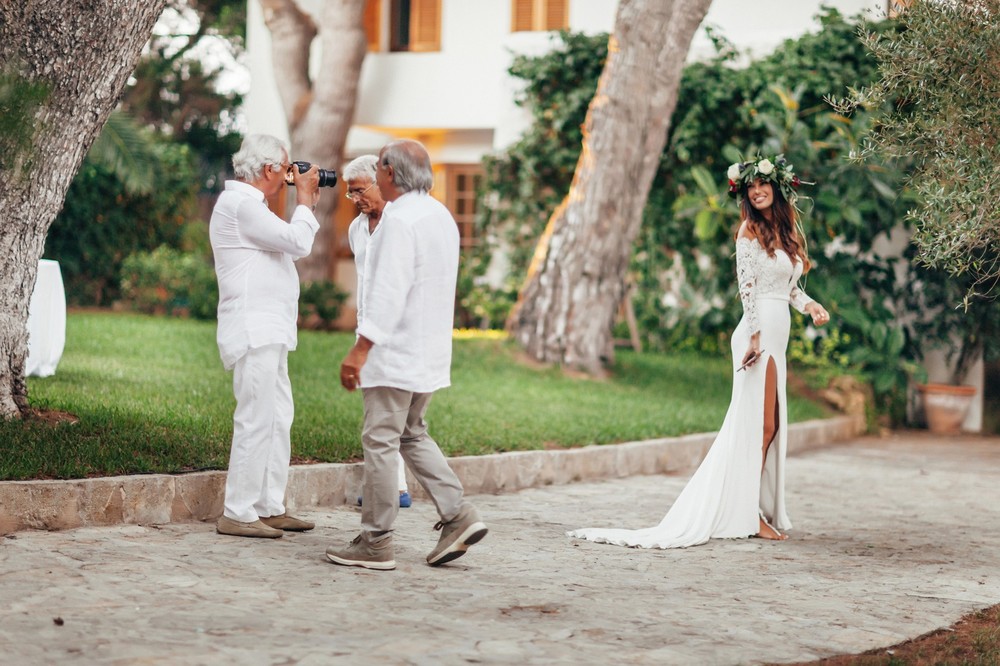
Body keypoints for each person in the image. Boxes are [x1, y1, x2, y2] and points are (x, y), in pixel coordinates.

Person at [568, 155, 831, 549]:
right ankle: (749, 515)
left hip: (778, 333)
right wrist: (755, 335)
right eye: (749, 188)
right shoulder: (748, 231)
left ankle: (751, 507)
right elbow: (747, 288)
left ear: (777, 188)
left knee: (770, 426)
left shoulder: (786, 229)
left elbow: (787, 287)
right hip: (757, 336)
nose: (757, 192)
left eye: (762, 185)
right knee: (760, 426)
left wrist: (809, 305)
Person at [325, 139, 487, 570]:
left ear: (390, 173)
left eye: (378, 170)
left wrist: (360, 349)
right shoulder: (439, 215)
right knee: (412, 433)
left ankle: (375, 540)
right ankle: (458, 515)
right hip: (428, 351)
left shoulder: (399, 220)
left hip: (394, 352)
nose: (375, 178)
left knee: (380, 440)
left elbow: (389, 291)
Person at [210, 133, 321, 539]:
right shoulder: (241, 205)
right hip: (253, 328)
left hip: (271, 328)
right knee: (256, 418)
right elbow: (299, 243)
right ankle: (237, 512)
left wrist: (304, 205)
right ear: (271, 169)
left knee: (278, 418)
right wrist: (305, 202)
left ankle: (268, 506)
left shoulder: (255, 208)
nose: (291, 176)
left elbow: (290, 247)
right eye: (287, 168)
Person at [342, 154, 412, 509]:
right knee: (378, 415)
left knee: (394, 418)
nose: (355, 200)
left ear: (379, 183)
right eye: (350, 194)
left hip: (398, 332)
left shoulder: (400, 225)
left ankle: (388, 489)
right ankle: (391, 486)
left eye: (358, 191)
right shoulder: (357, 229)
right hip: (367, 330)